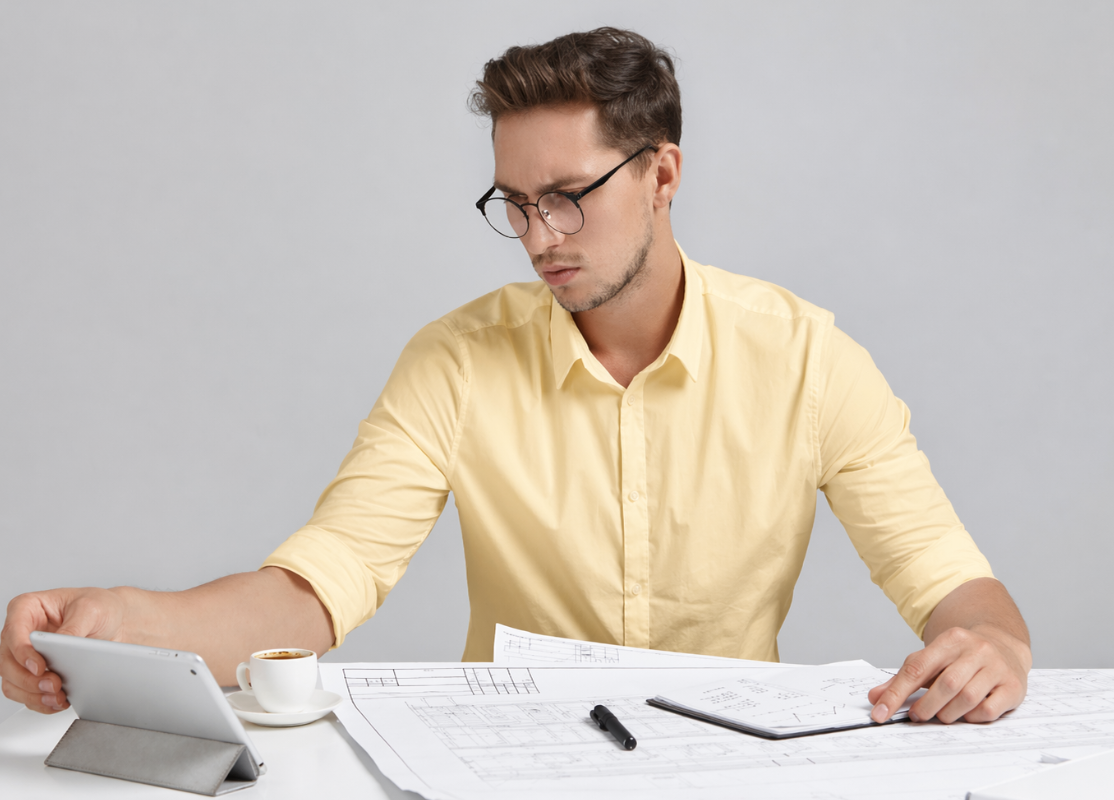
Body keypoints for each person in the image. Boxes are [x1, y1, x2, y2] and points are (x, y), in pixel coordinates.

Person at [1, 27, 1030, 727]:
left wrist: (990, 645)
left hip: (726, 767)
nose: (539, 236)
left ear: (663, 174)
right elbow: (317, 589)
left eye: (568, 196)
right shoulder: (456, 359)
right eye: (515, 201)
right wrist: (129, 622)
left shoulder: (807, 359)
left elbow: (955, 586)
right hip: (503, 766)